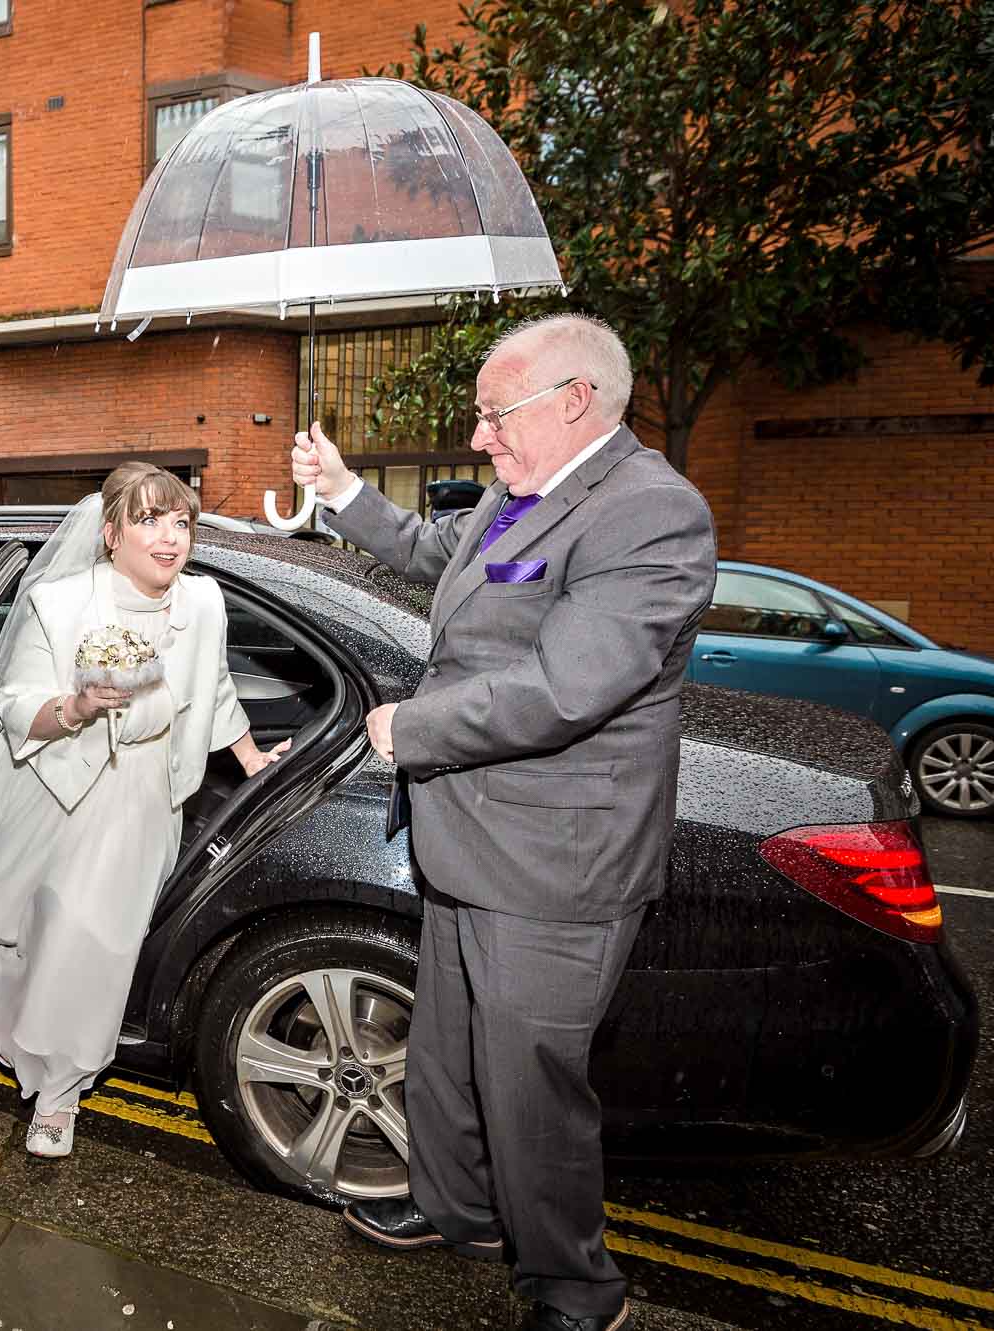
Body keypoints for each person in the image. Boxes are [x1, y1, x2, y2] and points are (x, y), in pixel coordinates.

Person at [293, 314, 716, 1331]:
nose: (480, 437)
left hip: (554, 864)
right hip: (465, 841)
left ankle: (576, 1288)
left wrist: (409, 726)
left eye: (495, 414)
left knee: (530, 1087)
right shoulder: (513, 494)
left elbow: (565, 686)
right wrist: (341, 489)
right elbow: (428, 549)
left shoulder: (650, 515)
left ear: (575, 400)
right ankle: (459, 1208)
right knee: (445, 1053)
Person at [0, 462, 290, 1159]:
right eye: (149, 520)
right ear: (110, 533)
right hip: (55, 788)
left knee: (95, 946)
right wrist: (76, 706)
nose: (171, 537)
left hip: (143, 795)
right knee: (37, 939)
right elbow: (18, 706)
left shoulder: (203, 603)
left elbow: (216, 688)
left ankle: (59, 1095)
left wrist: (253, 757)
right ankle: (32, 1042)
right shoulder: (60, 601)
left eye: (182, 521)